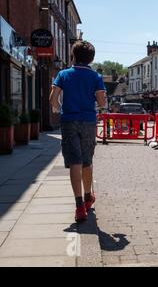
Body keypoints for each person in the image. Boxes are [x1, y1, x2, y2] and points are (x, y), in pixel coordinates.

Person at [50, 41, 106, 223]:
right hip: (88, 121)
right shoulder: (95, 76)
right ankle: (88, 196)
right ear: (91, 58)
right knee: (86, 162)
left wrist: (59, 109)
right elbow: (102, 102)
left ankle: (79, 205)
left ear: (73, 55)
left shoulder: (63, 74)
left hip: (69, 122)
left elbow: (53, 99)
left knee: (75, 161)